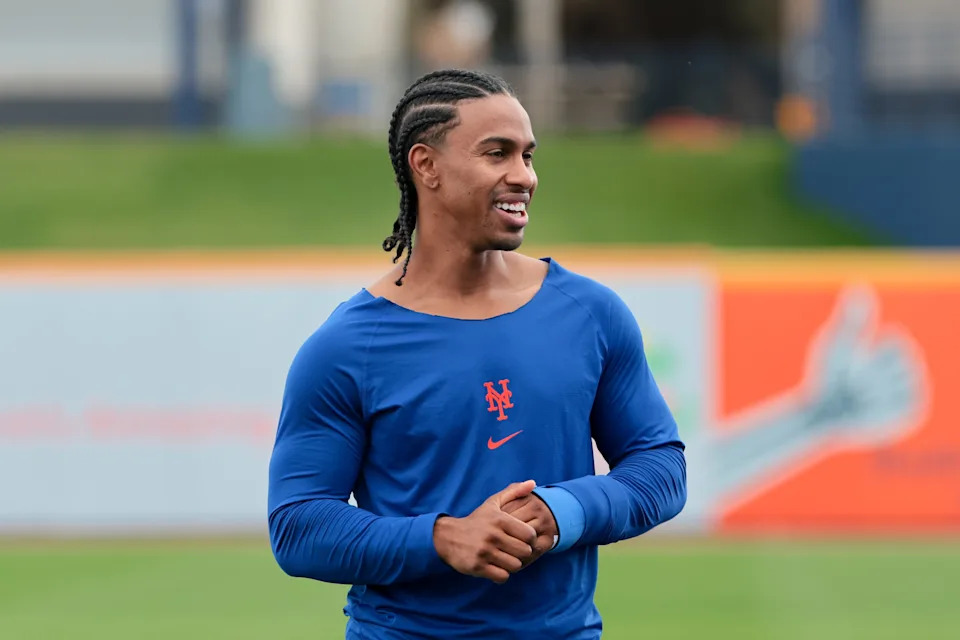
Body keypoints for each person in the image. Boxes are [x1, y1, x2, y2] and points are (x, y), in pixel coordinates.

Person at [267, 69, 687, 639]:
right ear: (426, 166)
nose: (524, 177)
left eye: (528, 157)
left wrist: (566, 511)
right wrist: (441, 538)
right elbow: (298, 526)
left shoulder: (590, 314)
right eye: (497, 154)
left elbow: (661, 468)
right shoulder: (346, 348)